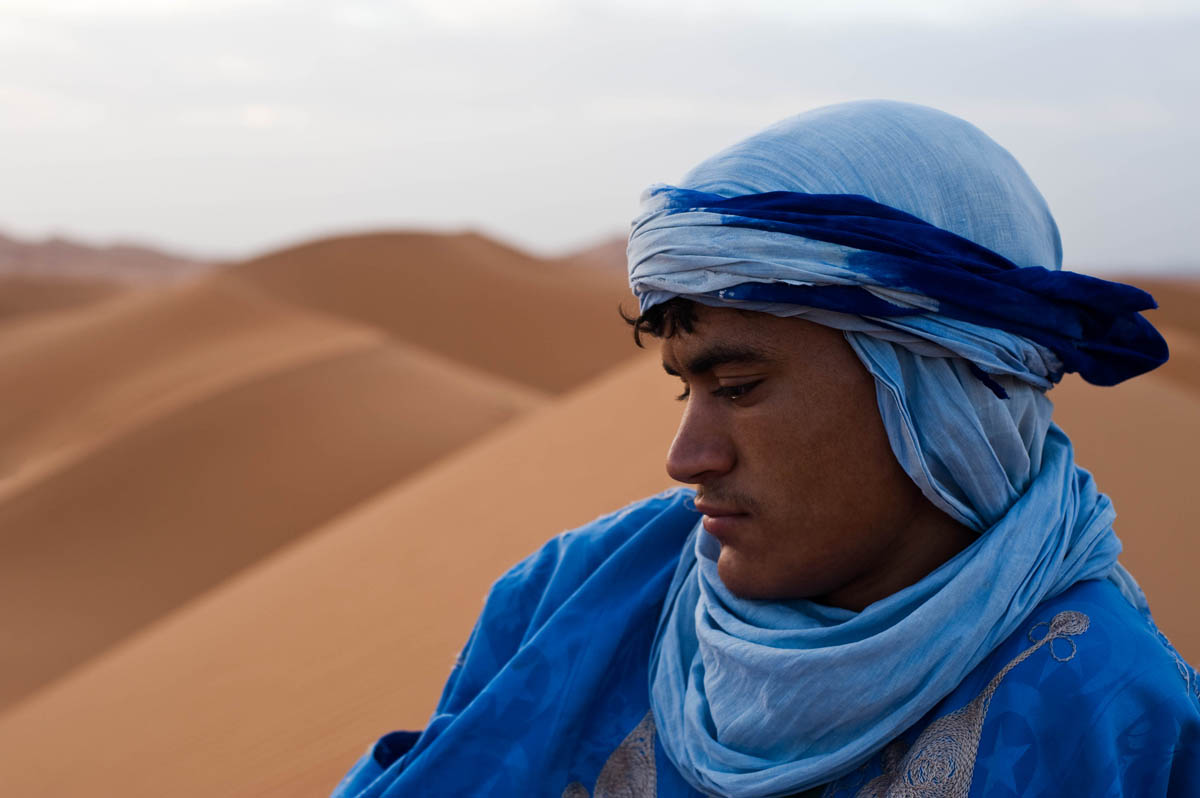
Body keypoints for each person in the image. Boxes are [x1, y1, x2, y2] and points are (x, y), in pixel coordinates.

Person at [330, 101, 1199, 797]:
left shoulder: (1108, 709)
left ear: (940, 396)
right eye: (687, 390)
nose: (688, 457)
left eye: (739, 390)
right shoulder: (569, 598)